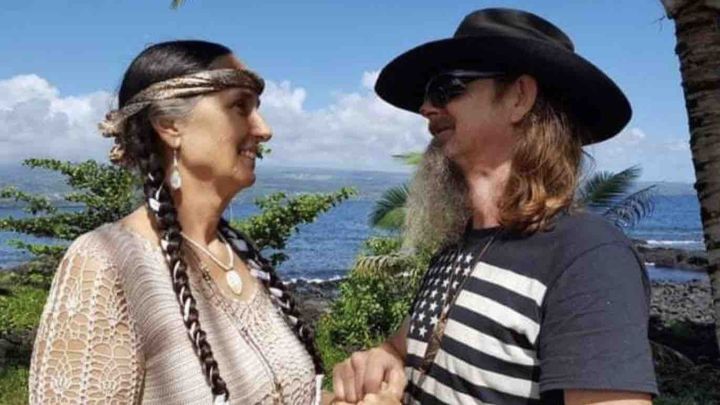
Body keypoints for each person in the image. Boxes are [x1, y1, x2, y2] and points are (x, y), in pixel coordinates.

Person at [333, 8, 658, 405]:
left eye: (446, 88)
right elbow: (415, 346)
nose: (426, 108)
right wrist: (384, 356)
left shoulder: (589, 258)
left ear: (519, 98)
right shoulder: (460, 244)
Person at [28, 40, 327, 404]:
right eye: (239, 106)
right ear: (170, 125)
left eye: (257, 109)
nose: (264, 130)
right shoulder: (106, 264)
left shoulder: (240, 255)